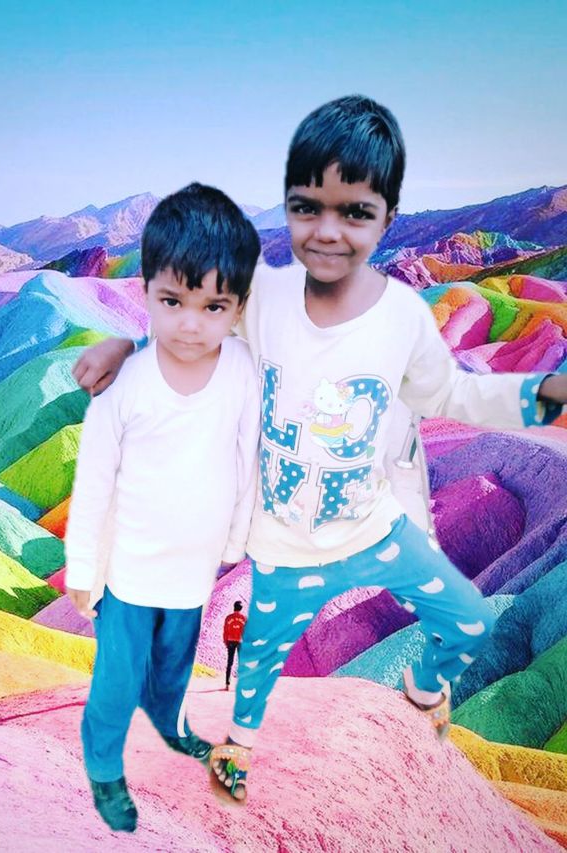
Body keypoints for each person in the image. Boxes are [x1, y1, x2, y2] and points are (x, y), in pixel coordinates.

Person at [71, 95, 567, 806]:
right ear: (289, 206)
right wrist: (126, 346)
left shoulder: (402, 318)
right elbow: (192, 330)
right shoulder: (264, 300)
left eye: (355, 212)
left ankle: (421, 688)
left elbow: (452, 393)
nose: (328, 231)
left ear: (388, 218)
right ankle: (237, 748)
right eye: (308, 208)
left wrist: (542, 390)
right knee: (256, 673)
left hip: (376, 532)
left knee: (471, 619)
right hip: (286, 544)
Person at [65, 182, 261, 831]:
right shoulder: (125, 385)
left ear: (237, 308)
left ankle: (172, 724)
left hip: (194, 569)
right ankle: (104, 770)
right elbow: (94, 481)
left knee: (175, 664)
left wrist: (234, 538)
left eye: (213, 306)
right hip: (129, 572)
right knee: (117, 680)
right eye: (172, 301)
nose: (190, 323)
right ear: (145, 291)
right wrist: (82, 568)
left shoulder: (241, 369)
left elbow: (247, 452)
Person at [223, 601, 247, 690]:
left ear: (234, 607)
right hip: (240, 642)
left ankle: (227, 684)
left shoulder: (228, 618)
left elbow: (225, 630)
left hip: (230, 641)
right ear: (241, 608)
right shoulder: (244, 618)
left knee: (230, 663)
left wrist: (226, 641)